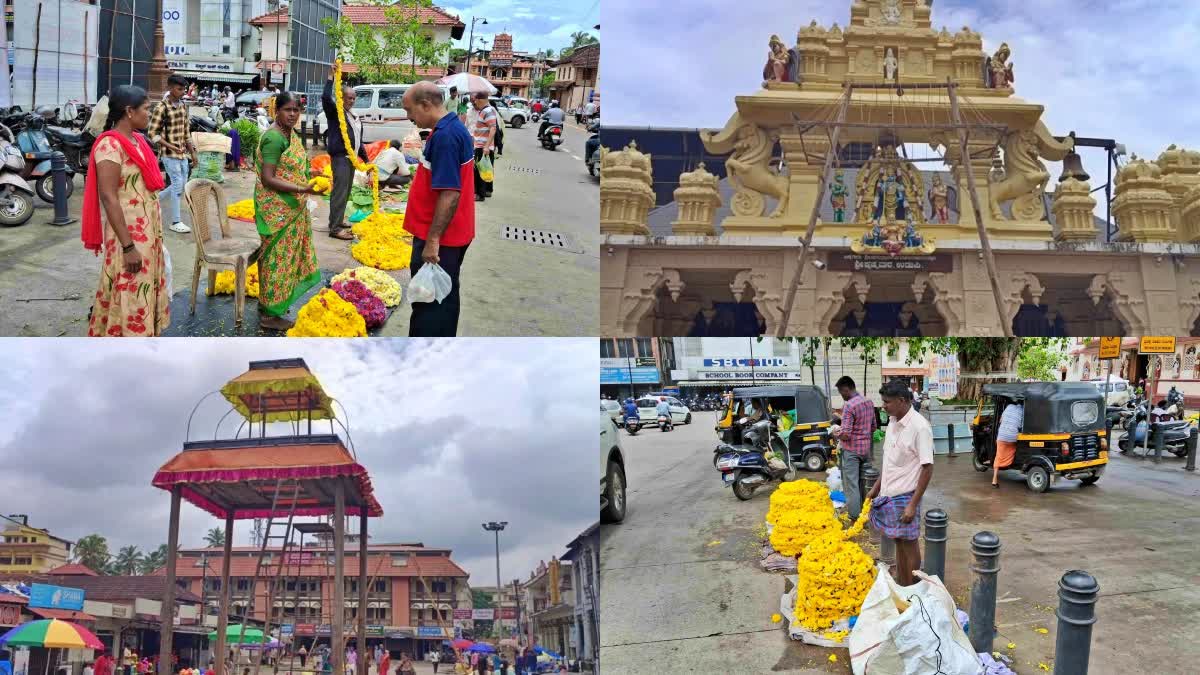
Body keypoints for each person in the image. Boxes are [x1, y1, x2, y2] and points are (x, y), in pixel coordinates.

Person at [82, 84, 171, 337]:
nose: (149, 114)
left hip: (147, 231)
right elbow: (109, 197)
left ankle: (142, 339)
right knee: (130, 287)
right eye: (146, 109)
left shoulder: (138, 141)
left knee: (140, 287)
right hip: (128, 236)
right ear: (130, 111)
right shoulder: (110, 146)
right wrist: (129, 246)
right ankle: (127, 345)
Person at [400, 81, 475, 337]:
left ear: (426, 105)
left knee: (429, 304)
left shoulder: (445, 136)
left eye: (410, 110)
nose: (409, 117)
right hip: (448, 235)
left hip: (441, 238)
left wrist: (433, 240)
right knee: (444, 299)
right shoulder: (449, 128)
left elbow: (450, 193)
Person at [254, 91, 322, 331]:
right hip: (277, 209)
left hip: (291, 205)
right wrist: (302, 188)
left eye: (297, 110)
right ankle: (269, 315)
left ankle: (271, 305)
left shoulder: (288, 134)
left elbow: (289, 167)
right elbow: (268, 178)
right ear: (276, 110)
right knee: (277, 259)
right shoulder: (274, 137)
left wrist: (310, 174)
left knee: (283, 258)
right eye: (288, 110)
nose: (293, 115)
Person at [865, 379, 934, 586]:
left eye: (887, 402)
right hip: (888, 495)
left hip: (906, 497)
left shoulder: (920, 427)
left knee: (910, 546)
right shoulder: (893, 423)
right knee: (898, 543)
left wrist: (912, 504)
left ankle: (913, 592)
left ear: (902, 400)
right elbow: (889, 462)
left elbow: (928, 467)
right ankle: (902, 585)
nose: (883, 406)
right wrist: (875, 490)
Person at [322, 64, 368, 240]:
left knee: (346, 192)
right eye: (349, 98)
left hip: (351, 159)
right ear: (341, 98)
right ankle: (334, 229)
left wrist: (366, 160)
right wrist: (330, 78)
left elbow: (358, 141)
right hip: (340, 158)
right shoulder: (336, 113)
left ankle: (338, 220)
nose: (352, 101)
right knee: (339, 192)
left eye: (354, 98)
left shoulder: (353, 116)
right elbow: (326, 98)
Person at [148, 73, 195, 234]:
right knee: (176, 186)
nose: (183, 92)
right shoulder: (162, 107)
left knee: (180, 185)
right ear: (170, 88)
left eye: (184, 89)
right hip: (169, 154)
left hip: (182, 155)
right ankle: (175, 221)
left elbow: (186, 132)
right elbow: (153, 134)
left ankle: (151, 201)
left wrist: (193, 154)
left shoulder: (182, 106)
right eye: (180, 89)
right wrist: (173, 147)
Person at [835, 376, 874, 521]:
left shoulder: (849, 406)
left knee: (852, 485)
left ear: (846, 389)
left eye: (841, 392)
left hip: (851, 451)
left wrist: (835, 433)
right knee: (864, 483)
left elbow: (845, 433)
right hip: (866, 450)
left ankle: (855, 516)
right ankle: (866, 513)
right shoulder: (868, 402)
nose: (841, 395)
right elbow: (873, 427)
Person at [469, 92, 497, 202]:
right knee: (485, 169)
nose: (474, 102)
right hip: (481, 145)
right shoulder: (486, 110)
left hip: (483, 146)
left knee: (479, 171)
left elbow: (493, 128)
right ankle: (487, 191)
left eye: (475, 100)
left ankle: (480, 194)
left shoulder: (487, 111)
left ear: (480, 100)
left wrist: (486, 146)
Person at [993, 401, 1023, 488]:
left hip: (1002, 436)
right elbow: (1020, 426)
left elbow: (1000, 420)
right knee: (1012, 450)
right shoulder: (1022, 411)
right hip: (1012, 437)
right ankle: (1008, 464)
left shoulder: (1009, 406)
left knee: (998, 456)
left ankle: (994, 480)